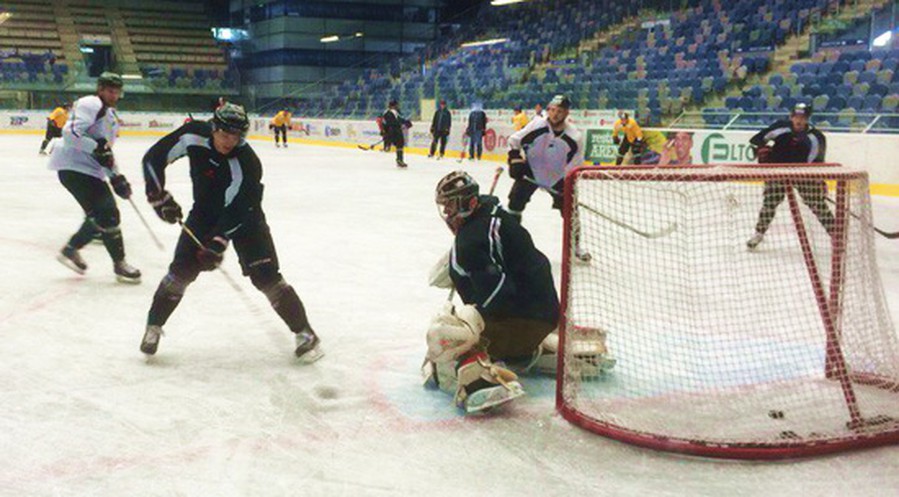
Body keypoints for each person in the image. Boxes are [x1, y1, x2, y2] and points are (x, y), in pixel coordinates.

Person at [139, 103, 322, 362]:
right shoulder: (193, 135)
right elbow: (153, 158)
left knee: (266, 277)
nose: (230, 141)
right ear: (213, 128)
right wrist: (157, 196)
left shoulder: (248, 163)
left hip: (246, 220)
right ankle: (153, 327)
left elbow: (243, 207)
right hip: (203, 214)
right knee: (180, 272)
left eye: (236, 136)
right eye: (225, 134)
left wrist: (219, 240)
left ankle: (304, 332)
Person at [425, 171, 556, 413]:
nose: (447, 213)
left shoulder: (472, 240)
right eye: (445, 206)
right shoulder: (489, 216)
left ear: (470, 203)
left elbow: (497, 297)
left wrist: (473, 336)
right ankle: (527, 350)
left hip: (527, 321)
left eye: (451, 206)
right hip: (543, 314)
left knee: (451, 329)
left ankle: (479, 378)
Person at [50, 72, 141, 283]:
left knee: (101, 215)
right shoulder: (91, 104)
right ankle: (119, 264)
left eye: (117, 91)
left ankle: (71, 249)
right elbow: (69, 134)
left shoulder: (109, 116)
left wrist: (117, 177)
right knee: (108, 212)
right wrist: (96, 148)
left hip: (85, 170)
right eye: (110, 90)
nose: (114, 95)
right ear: (100, 89)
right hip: (74, 167)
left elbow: (105, 152)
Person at [506, 94, 590, 262]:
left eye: (559, 111)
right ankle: (510, 243)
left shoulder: (575, 137)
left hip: (557, 176)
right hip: (531, 171)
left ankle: (576, 247)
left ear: (566, 113)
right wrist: (515, 160)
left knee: (570, 211)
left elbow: (575, 163)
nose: (554, 114)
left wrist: (566, 183)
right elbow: (514, 140)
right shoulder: (537, 124)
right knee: (515, 203)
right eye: (552, 110)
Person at [746, 103, 833, 249]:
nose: (798, 120)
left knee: (818, 204)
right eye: (796, 117)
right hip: (778, 171)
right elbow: (756, 140)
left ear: (808, 118)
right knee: (769, 204)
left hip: (803, 174)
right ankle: (759, 234)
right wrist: (761, 150)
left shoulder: (816, 137)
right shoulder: (780, 127)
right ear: (791, 116)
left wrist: (820, 181)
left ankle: (835, 235)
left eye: (802, 117)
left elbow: (818, 162)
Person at [382, 100, 409, 167]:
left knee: (397, 144)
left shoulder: (385, 112)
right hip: (396, 130)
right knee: (400, 144)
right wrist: (407, 123)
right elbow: (400, 119)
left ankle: (388, 147)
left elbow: (384, 123)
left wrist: (385, 131)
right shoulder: (394, 112)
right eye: (397, 105)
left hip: (390, 130)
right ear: (394, 105)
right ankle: (399, 160)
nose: (398, 106)